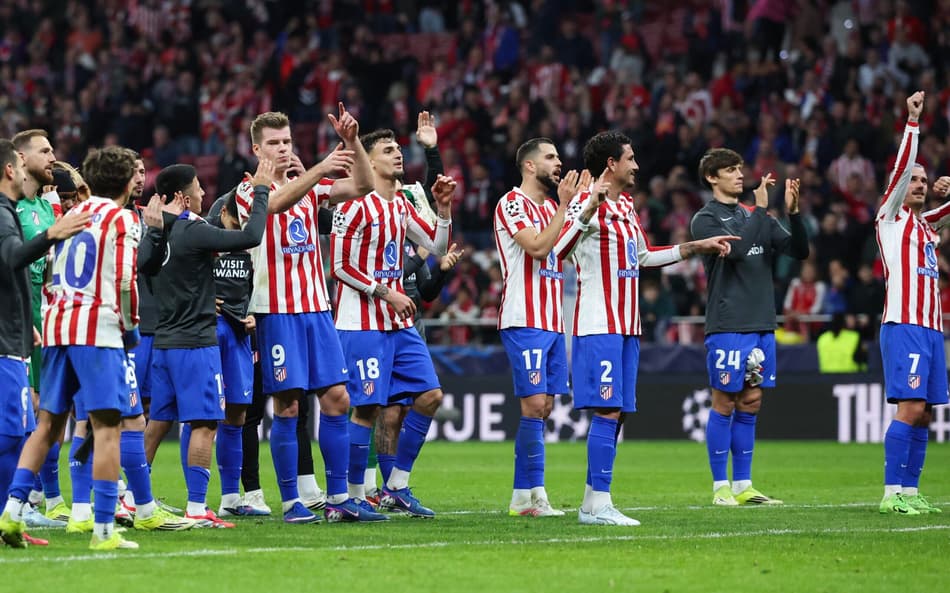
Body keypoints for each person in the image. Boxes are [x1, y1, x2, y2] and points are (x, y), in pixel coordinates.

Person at [554, 131, 736, 525]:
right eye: (630, 158)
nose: (636, 165)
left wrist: (695, 247)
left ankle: (591, 502)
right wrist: (585, 208)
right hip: (598, 322)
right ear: (611, 165)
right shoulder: (587, 203)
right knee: (608, 410)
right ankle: (601, 504)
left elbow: (642, 256)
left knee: (619, 415)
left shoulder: (625, 208)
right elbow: (559, 251)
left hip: (627, 325)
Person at [235, 105, 373, 523]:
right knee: (288, 407)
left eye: (287, 141)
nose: (282, 149)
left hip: (316, 309)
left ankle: (337, 498)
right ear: (256, 148)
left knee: (337, 399)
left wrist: (352, 143)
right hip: (276, 312)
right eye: (274, 143)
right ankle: (293, 501)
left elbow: (365, 184)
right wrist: (319, 168)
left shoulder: (309, 187)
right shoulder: (248, 189)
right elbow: (274, 204)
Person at [1, 145, 139, 550]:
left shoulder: (70, 217)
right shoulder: (120, 219)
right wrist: (130, 330)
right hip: (99, 330)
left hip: (60, 326)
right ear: (128, 182)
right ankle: (103, 531)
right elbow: (126, 284)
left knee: (47, 425)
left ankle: (10, 511)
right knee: (107, 427)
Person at [331, 127, 456, 519]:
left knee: (430, 396)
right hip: (362, 321)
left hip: (397, 322)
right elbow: (338, 267)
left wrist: (445, 209)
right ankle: (349, 498)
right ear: (369, 161)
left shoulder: (400, 205)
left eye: (399, 148)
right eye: (388, 150)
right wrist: (386, 292)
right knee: (365, 409)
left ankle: (396, 486)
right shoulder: (353, 205)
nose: (398, 154)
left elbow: (436, 246)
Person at [139, 161, 271, 528]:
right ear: (182, 196)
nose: (203, 194)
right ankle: (198, 508)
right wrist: (261, 190)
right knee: (205, 423)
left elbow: (144, 267)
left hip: (164, 341)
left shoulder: (157, 233)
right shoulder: (191, 230)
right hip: (196, 343)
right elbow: (250, 237)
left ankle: (135, 499)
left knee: (158, 422)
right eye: (198, 188)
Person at [690, 149, 809, 507]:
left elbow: (798, 251)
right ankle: (720, 488)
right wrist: (759, 209)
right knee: (725, 400)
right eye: (730, 170)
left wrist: (793, 213)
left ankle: (743, 485)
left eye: (740, 168)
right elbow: (738, 252)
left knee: (751, 401)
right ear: (712, 177)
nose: (739, 175)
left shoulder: (754, 216)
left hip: (761, 322)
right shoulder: (705, 220)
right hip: (728, 323)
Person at [493, 137, 588, 517]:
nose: (558, 162)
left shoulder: (551, 206)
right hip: (523, 318)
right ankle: (532, 496)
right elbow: (537, 247)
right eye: (550, 157)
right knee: (532, 405)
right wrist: (566, 205)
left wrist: (583, 207)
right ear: (530, 166)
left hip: (551, 321)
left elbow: (563, 249)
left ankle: (524, 496)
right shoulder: (511, 203)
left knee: (544, 406)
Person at [875, 91, 948, 515]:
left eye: (925, 181)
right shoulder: (890, 219)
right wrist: (913, 122)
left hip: (932, 329)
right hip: (903, 324)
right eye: (914, 181)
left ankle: (911, 490)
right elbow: (903, 168)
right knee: (911, 406)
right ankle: (891, 493)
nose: (919, 185)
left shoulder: (924, 226)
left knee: (925, 415)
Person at [11, 130, 67, 523]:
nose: (52, 157)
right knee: (24, 412)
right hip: (15, 318)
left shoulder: (46, 208)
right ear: (19, 159)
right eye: (44, 151)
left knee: (49, 412)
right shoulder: (8, 209)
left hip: (44, 318)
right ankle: (22, 500)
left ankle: (48, 498)